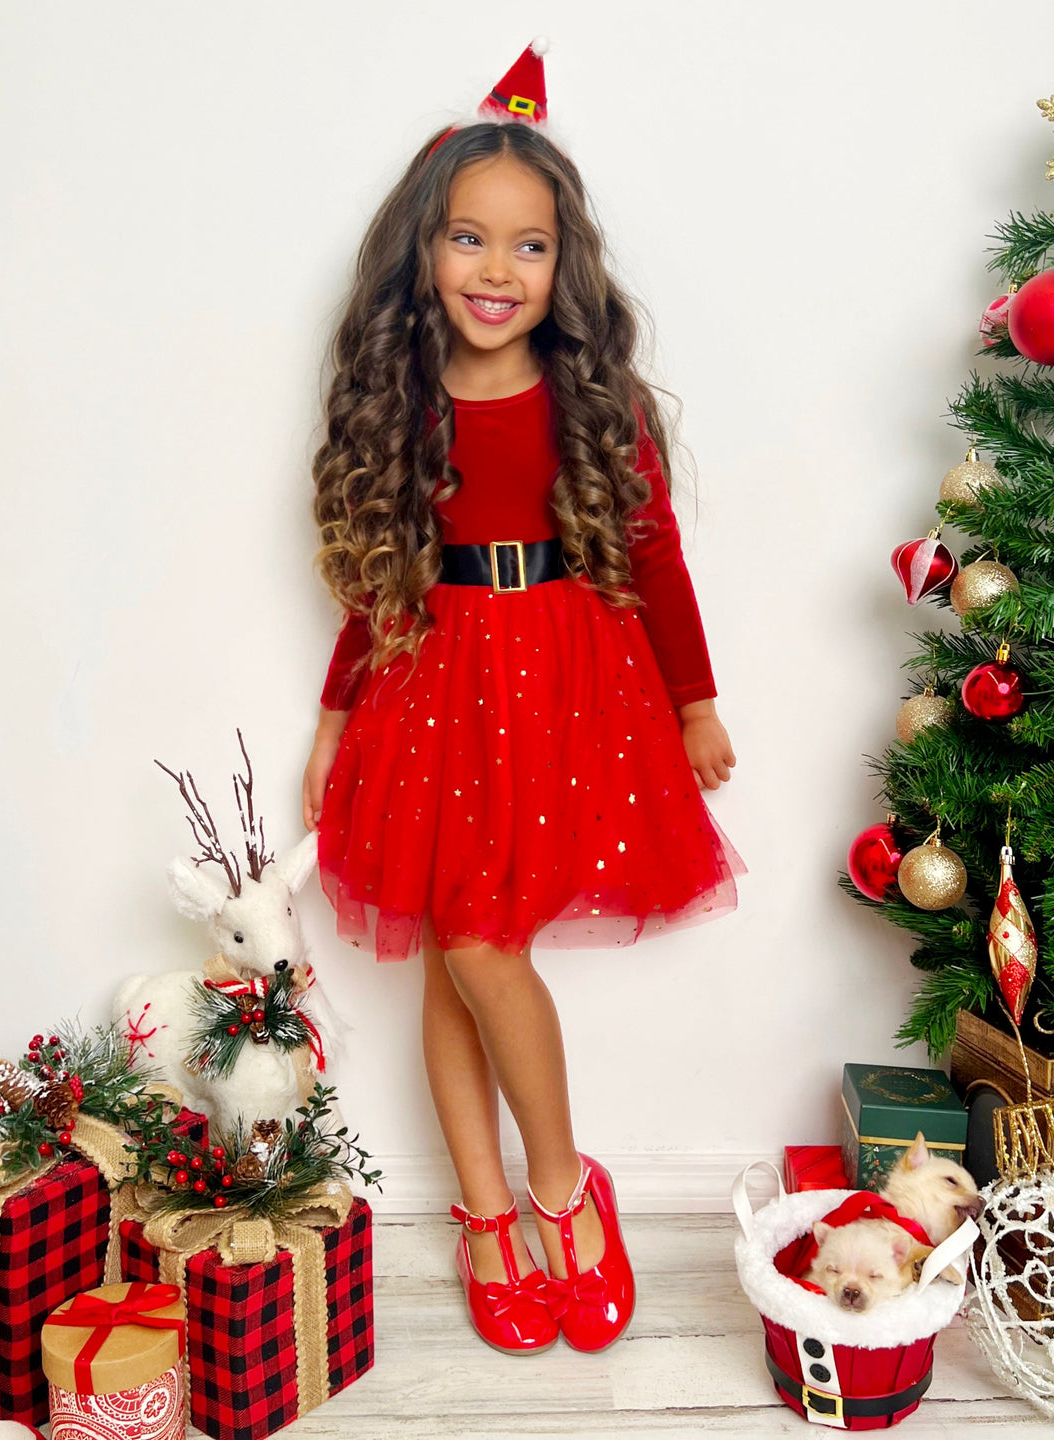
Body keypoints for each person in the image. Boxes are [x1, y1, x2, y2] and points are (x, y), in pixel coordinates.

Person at [301, 41, 745, 1356]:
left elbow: (655, 555)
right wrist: (333, 721)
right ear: (423, 252)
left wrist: (695, 703)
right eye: (469, 239)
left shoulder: (589, 401)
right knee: (462, 949)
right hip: (434, 683)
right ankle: (496, 1215)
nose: (497, 270)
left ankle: (562, 1190)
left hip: (562, 680)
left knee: (479, 947)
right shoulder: (402, 402)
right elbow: (374, 574)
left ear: (564, 264)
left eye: (529, 245)